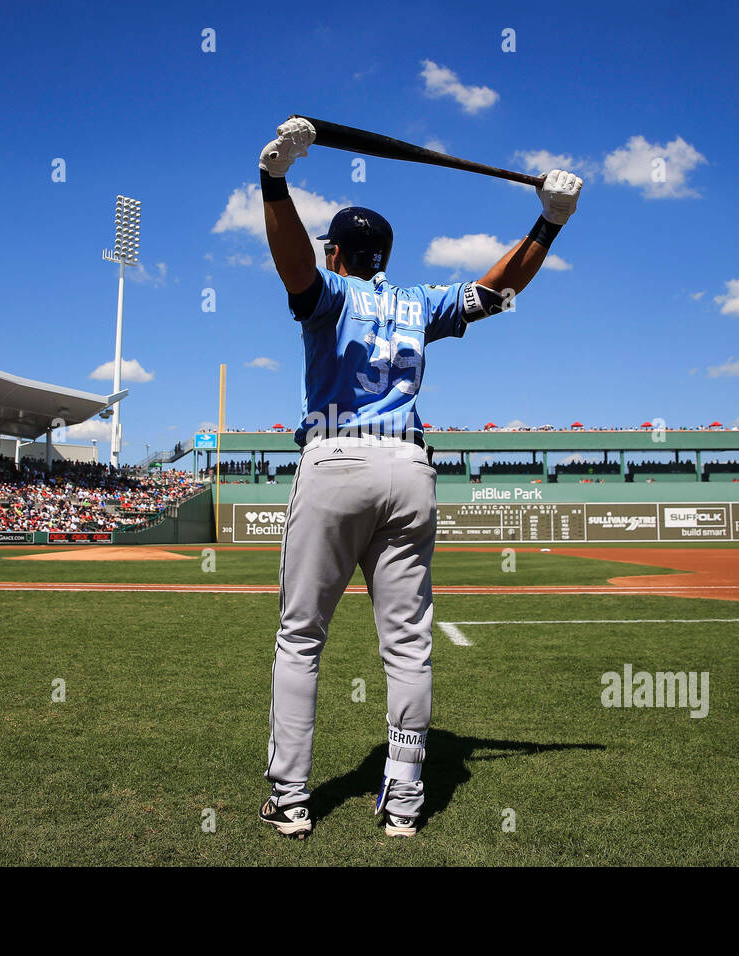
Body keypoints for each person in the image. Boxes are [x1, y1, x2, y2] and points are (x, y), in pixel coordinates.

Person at [256, 117, 581, 839]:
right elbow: (496, 291)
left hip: (338, 455)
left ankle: (290, 796)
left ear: (338, 252)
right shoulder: (413, 302)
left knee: (302, 637)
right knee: (407, 644)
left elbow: (292, 270)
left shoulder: (334, 293)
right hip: (409, 466)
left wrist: (274, 182)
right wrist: (549, 223)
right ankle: (403, 801)